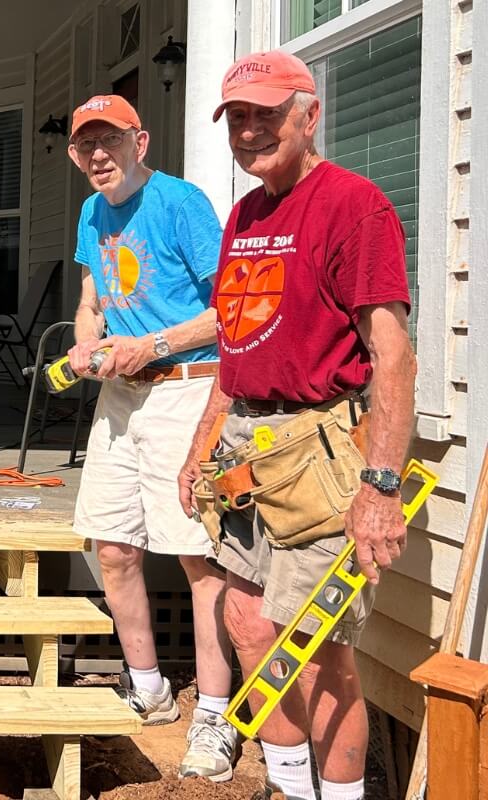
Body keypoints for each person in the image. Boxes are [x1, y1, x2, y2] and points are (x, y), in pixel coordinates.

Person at [177, 51, 415, 800]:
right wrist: (202, 444)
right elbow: (239, 342)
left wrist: (380, 487)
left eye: (266, 114)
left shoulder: (354, 204)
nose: (250, 131)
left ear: (310, 117)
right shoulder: (246, 214)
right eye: (238, 117)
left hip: (318, 452)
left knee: (316, 652)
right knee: (248, 623)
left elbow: (394, 358)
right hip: (248, 446)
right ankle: (289, 787)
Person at [64, 95, 238, 781]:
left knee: (200, 560)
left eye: (110, 141)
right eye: (86, 146)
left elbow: (232, 310)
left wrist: (154, 343)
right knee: (113, 547)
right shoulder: (90, 212)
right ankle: (150, 688)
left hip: (187, 389)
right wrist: (87, 347)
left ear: (140, 140)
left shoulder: (181, 203)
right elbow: (90, 300)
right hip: (121, 394)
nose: (98, 155)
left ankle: (215, 718)